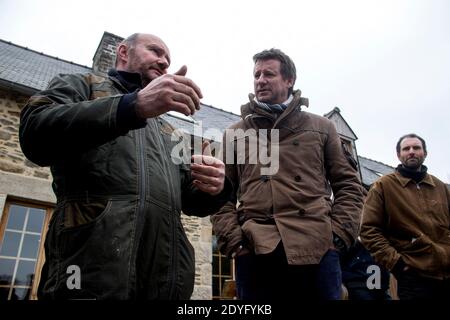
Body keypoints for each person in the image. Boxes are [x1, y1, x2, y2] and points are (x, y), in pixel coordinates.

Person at [19, 33, 231, 300]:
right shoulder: (82, 85)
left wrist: (216, 186)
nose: (164, 62)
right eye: (155, 51)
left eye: (168, 58)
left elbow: (191, 202)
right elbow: (35, 134)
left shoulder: (169, 132)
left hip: (162, 285)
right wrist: (133, 106)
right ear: (123, 52)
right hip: (87, 278)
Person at [211, 48, 364, 300]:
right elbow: (219, 196)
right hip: (256, 249)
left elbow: (349, 185)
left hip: (317, 247)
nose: (260, 80)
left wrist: (336, 236)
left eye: (268, 74)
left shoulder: (322, 128)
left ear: (289, 80)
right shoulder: (235, 133)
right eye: (256, 74)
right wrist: (236, 243)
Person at [360, 133, 450, 300]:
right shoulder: (383, 186)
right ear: (399, 155)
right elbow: (368, 230)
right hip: (414, 278)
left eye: (416, 148)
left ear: (425, 153)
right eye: (406, 148)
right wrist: (397, 264)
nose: (411, 152)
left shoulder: (441, 187)